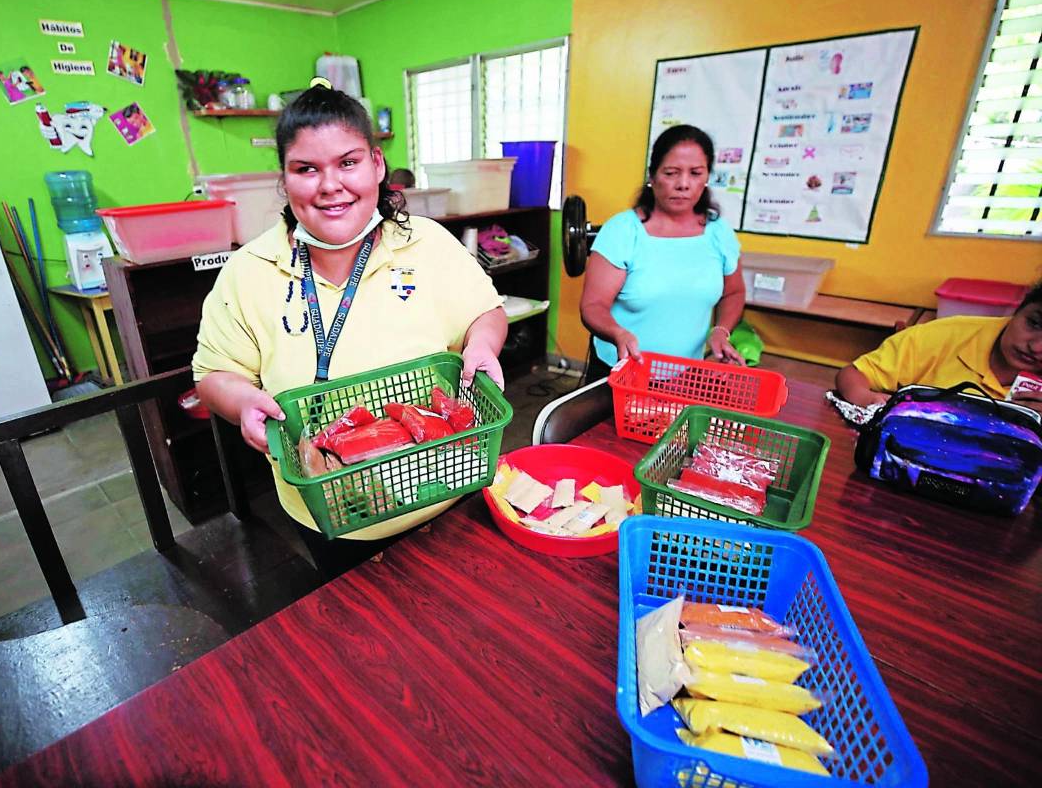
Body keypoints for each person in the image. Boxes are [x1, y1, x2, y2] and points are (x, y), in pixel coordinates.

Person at [193, 82, 507, 576]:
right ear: (284, 179)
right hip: (332, 514)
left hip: (448, 488)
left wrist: (483, 345)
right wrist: (241, 402)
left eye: (348, 162)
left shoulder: (427, 243)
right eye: (306, 169)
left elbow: (484, 312)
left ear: (377, 165)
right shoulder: (248, 271)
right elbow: (213, 373)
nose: (330, 185)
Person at [579, 124, 745, 382]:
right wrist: (617, 333)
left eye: (695, 173)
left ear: (706, 178)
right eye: (671, 173)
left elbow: (734, 292)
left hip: (687, 373)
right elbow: (593, 305)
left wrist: (721, 331)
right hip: (623, 372)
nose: (683, 184)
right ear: (652, 176)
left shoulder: (719, 232)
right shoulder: (623, 231)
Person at [836, 279, 1042, 410]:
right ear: (1018, 310)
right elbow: (853, 374)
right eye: (1034, 323)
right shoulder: (946, 335)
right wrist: (868, 399)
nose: (1036, 347)